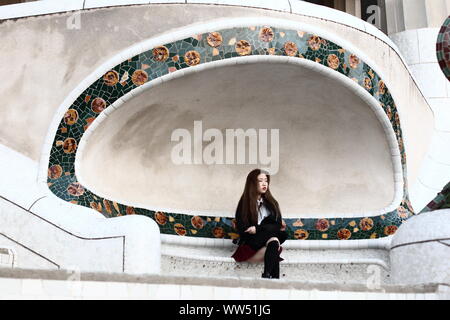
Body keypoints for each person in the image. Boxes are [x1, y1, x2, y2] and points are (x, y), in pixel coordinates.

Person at [231, 168, 288, 279]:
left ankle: (267, 276)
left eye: (266, 181)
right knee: (275, 239)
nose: (264, 183)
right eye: (260, 180)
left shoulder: (273, 203)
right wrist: (258, 230)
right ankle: (273, 278)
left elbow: (277, 225)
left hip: (267, 240)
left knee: (277, 238)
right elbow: (243, 229)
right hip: (252, 242)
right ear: (252, 183)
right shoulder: (244, 204)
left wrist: (258, 228)